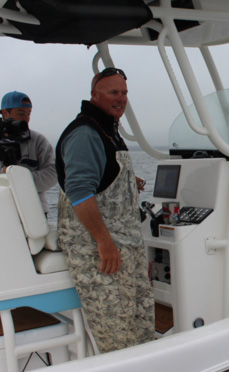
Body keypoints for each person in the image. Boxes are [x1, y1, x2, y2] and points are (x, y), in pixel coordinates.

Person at [55, 67, 155, 354]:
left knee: (141, 321)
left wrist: (125, 180)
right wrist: (103, 241)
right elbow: (79, 192)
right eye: (113, 92)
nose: (121, 98)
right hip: (100, 249)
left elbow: (100, 176)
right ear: (94, 95)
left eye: (124, 93)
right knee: (117, 333)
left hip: (126, 243)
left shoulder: (109, 129)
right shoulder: (85, 133)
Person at [0, 91, 56, 213]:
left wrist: (20, 178)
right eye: (21, 113)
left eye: (28, 114)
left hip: (34, 212)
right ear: (5, 113)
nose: (25, 118)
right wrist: (2, 173)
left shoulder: (38, 141)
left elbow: (52, 174)